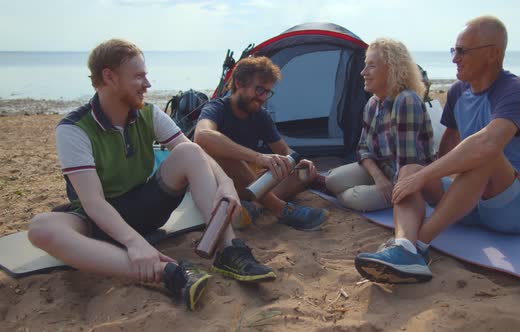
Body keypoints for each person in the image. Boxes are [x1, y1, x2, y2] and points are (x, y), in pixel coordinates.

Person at [27, 39, 276, 312]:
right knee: (41, 228)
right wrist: (134, 243)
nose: (147, 84)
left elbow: (193, 151)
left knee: (189, 151)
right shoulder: (73, 128)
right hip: (98, 221)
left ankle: (230, 251)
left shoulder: (148, 113)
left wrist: (226, 183)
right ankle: (169, 274)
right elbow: (93, 202)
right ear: (109, 76)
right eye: (138, 76)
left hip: (145, 208)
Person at [355, 15, 520, 284]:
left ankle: (419, 247)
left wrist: (423, 178)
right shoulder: (458, 91)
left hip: (518, 207)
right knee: (411, 167)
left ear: (493, 54)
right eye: (453, 50)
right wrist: (422, 176)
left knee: (484, 155)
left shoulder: (516, 91)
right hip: (473, 205)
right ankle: (403, 246)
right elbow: (447, 146)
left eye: (462, 51)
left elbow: (488, 144)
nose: (454, 58)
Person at [194, 56, 329, 231]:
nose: (263, 97)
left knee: (301, 173)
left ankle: (254, 207)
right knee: (228, 155)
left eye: (267, 92)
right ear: (239, 83)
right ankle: (281, 209)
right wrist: (258, 157)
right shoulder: (217, 108)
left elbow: (284, 151)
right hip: (216, 182)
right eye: (259, 90)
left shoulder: (260, 115)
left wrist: (298, 161)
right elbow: (202, 136)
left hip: (248, 184)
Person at [325, 38, 436, 211]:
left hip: (408, 179)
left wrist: (391, 188)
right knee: (331, 180)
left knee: (356, 197)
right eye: (365, 65)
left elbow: (408, 165)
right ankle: (350, 194)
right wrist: (378, 177)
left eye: (371, 66)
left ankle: (351, 196)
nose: (363, 72)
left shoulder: (406, 101)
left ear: (392, 69)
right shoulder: (373, 104)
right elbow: (362, 148)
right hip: (382, 168)